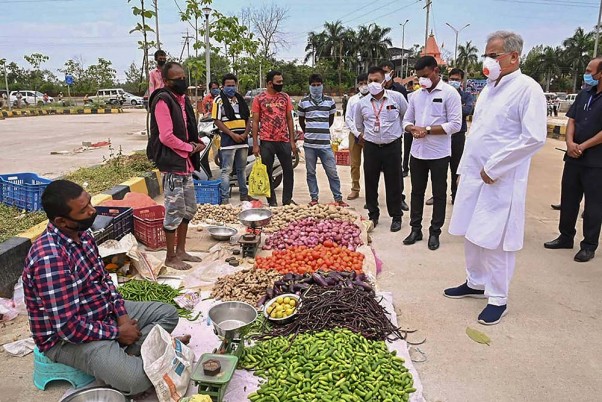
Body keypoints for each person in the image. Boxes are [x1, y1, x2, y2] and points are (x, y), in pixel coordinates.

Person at [22, 180, 185, 396]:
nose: (92, 211)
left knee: (168, 314)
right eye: (83, 210)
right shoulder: (50, 259)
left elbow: (104, 281)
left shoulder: (83, 235)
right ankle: (129, 354)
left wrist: (122, 316)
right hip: (67, 338)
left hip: (100, 312)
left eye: (90, 202)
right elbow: (68, 327)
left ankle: (125, 353)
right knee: (136, 381)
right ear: (62, 221)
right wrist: (117, 332)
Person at [445, 31, 547, 325]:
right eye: (486, 54)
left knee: (496, 240)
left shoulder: (528, 89)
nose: (487, 61)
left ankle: (498, 297)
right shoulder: (489, 88)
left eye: (494, 55)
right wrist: (468, 166)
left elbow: (533, 138)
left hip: (500, 178)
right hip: (475, 174)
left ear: (514, 57)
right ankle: (475, 282)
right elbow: (480, 130)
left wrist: (495, 166)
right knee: (472, 233)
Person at [544, 57, 602, 263]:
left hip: (596, 161)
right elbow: (572, 120)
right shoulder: (584, 94)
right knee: (569, 199)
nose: (587, 74)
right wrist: (570, 143)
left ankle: (589, 245)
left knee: (594, 205)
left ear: (600, 74)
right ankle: (566, 236)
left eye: (589, 70)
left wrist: (583, 146)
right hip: (573, 157)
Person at [148, 61, 205, 270]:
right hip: (172, 164)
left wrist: (197, 142)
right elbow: (166, 136)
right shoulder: (163, 100)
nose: (182, 81)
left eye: (183, 77)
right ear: (166, 80)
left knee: (189, 209)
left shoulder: (182, 100)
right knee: (173, 210)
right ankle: (170, 256)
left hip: (185, 164)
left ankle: (181, 250)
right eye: (177, 78)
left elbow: (187, 128)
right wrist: (188, 148)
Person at [402, 56, 462, 251]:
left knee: (439, 193)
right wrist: (412, 129)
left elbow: (455, 125)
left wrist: (426, 130)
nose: (422, 80)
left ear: (436, 71)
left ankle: (435, 232)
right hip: (417, 152)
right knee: (416, 192)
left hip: (439, 153)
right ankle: (415, 229)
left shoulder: (450, 93)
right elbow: (406, 120)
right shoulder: (416, 96)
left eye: (425, 76)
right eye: (419, 77)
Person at [354, 66, 408, 232]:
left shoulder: (397, 98)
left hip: (392, 145)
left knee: (394, 181)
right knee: (370, 181)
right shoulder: (361, 103)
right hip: (371, 147)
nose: (372, 84)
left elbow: (406, 117)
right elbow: (358, 125)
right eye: (370, 81)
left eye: (376, 80)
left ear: (384, 80)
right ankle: (373, 214)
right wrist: (367, 138)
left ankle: (396, 216)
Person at [426, 68, 475, 205]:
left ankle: (455, 196)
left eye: (457, 80)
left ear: (462, 81)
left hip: (457, 136)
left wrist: (451, 107)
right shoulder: (442, 95)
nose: (454, 81)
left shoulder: (467, 96)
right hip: (441, 135)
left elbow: (468, 110)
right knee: (439, 168)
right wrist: (455, 108)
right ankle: (437, 195)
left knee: (456, 168)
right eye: (452, 79)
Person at [298, 73, 348, 207]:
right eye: (313, 85)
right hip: (309, 145)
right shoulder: (303, 102)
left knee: (332, 172)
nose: (315, 87)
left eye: (318, 85)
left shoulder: (330, 101)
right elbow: (302, 121)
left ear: (322, 85)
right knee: (311, 173)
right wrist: (309, 131)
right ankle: (314, 198)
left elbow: (330, 121)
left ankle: (338, 198)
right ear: (309, 86)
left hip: (325, 144)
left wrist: (322, 129)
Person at [251, 70, 297, 207]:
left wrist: (292, 141)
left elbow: (289, 119)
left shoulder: (285, 97)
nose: (281, 84)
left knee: (288, 170)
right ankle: (272, 202)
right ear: (270, 83)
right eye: (278, 82)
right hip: (266, 141)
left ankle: (287, 201)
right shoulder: (259, 99)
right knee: (267, 172)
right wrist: (255, 144)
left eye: (282, 82)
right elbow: (255, 121)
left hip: (283, 140)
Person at [212, 73, 256, 204]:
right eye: (228, 86)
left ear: (236, 86)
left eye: (233, 85)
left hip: (242, 140)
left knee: (241, 170)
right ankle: (225, 198)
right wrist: (232, 134)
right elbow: (217, 121)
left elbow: (248, 118)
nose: (231, 88)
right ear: (223, 86)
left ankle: (244, 194)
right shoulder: (218, 101)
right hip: (228, 141)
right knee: (226, 170)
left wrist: (245, 133)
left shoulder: (240, 99)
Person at [380, 61, 410, 212]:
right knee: (376, 170)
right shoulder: (375, 89)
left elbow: (406, 113)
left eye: (386, 70)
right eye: (382, 71)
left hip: (394, 138)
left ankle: (400, 198)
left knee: (396, 170)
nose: (384, 73)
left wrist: (402, 130)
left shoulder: (399, 90)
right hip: (376, 139)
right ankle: (374, 199)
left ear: (392, 72)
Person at [345, 73, 369, 200]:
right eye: (361, 84)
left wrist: (366, 134)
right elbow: (348, 118)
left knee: (370, 165)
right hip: (355, 135)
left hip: (370, 136)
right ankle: (355, 189)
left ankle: (371, 191)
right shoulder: (353, 100)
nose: (364, 86)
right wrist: (357, 133)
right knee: (355, 164)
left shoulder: (374, 99)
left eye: (366, 83)